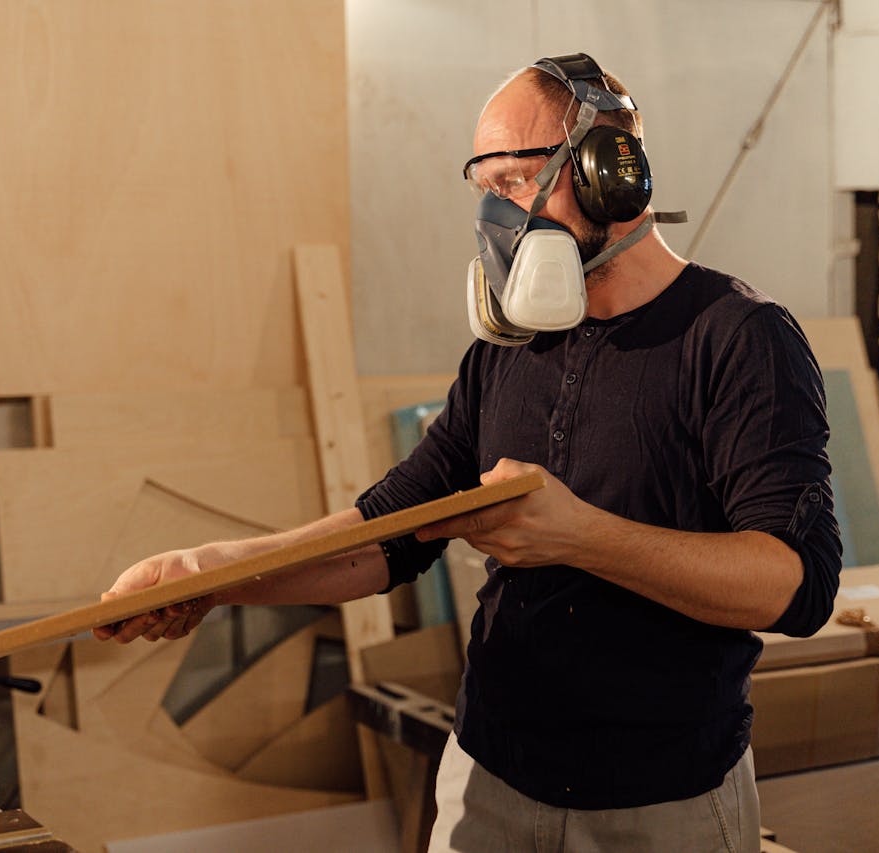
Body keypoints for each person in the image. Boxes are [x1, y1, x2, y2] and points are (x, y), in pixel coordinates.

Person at [95, 52, 841, 853]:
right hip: (490, 776)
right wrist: (216, 572)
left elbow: (794, 584)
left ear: (608, 175)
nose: (499, 220)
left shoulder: (737, 338)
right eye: (485, 192)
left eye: (515, 183)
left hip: (663, 800)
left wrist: (581, 536)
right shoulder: (511, 349)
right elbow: (394, 530)